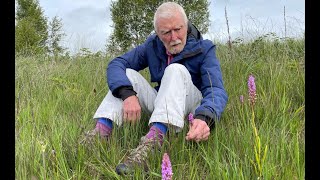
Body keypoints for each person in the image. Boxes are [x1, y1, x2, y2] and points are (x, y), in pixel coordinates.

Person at [82, 1, 228, 175]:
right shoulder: (152, 46)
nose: (174, 37)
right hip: (163, 103)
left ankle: (152, 144)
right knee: (127, 74)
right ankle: (100, 134)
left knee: (175, 69)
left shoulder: (204, 49)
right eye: (166, 32)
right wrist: (128, 95)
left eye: (178, 29)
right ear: (158, 34)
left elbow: (216, 89)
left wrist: (205, 117)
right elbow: (117, 63)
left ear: (186, 25)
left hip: (192, 108)